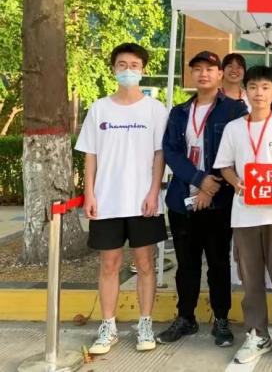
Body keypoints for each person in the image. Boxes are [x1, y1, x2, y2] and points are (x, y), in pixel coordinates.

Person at [77, 43, 169, 355]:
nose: (128, 70)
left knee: (145, 264)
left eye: (134, 65)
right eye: (122, 65)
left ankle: (145, 323)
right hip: (107, 201)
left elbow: (159, 155)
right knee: (109, 264)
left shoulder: (155, 110)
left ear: (143, 70)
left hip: (144, 201)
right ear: (113, 69)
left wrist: (154, 192)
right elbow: (90, 155)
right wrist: (90, 193)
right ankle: (108, 326)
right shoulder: (99, 108)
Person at [213, 65, 272, 366]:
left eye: (265, 87)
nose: (259, 93)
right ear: (245, 92)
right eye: (253, 87)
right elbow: (224, 166)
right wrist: (235, 181)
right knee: (250, 281)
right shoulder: (234, 128)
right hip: (244, 216)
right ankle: (257, 335)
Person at [157, 51, 247, 348]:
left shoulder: (234, 109)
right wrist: (198, 180)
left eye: (210, 68)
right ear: (191, 75)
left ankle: (221, 319)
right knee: (186, 264)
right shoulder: (179, 111)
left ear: (220, 74)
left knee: (219, 263)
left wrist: (209, 188)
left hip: (219, 201)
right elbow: (171, 152)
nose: (204, 74)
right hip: (182, 198)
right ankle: (186, 317)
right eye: (197, 69)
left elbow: (237, 151)